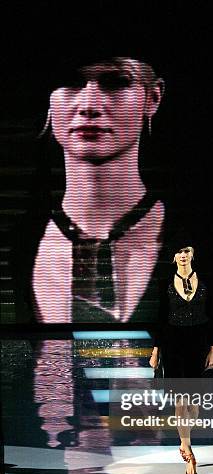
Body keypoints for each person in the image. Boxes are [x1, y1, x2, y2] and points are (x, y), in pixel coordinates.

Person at [19, 54, 166, 323]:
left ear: (152, 98)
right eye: (70, 82)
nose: (89, 105)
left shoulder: (193, 237)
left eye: (115, 83)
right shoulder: (19, 241)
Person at [149, 244, 213, 474]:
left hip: (197, 345)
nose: (183, 255)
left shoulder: (206, 280)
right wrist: (156, 351)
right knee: (181, 401)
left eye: (187, 251)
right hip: (173, 346)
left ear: (193, 254)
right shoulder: (165, 284)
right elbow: (160, 319)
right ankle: (187, 449)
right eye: (179, 252)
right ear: (173, 256)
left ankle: (185, 440)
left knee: (194, 407)